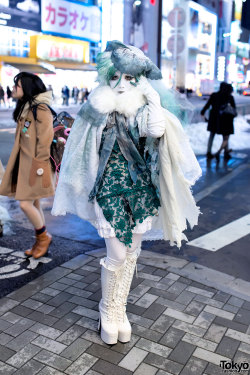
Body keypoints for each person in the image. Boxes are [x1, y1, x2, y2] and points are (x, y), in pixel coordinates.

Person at [52, 40, 201, 345]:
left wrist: (153, 99)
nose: (122, 84)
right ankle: (107, 309)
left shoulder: (143, 110)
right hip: (108, 189)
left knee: (131, 251)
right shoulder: (95, 108)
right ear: (108, 76)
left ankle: (120, 310)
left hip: (139, 189)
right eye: (117, 76)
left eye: (131, 78)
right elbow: (81, 152)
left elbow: (157, 129)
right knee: (117, 253)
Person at [0, 72, 54, 259]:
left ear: (28, 88)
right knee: (34, 203)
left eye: (18, 85)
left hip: (35, 166)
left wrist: (38, 168)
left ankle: (43, 237)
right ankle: (40, 240)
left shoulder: (40, 109)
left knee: (25, 204)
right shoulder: (28, 109)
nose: (14, 88)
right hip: (25, 165)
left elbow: (45, 140)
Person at [201, 82, 237, 161]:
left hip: (213, 118)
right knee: (225, 136)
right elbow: (234, 109)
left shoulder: (214, 95)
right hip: (224, 119)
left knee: (212, 135)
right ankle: (225, 153)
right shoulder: (229, 97)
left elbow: (207, 105)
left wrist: (203, 112)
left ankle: (209, 152)